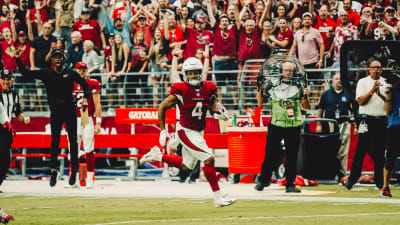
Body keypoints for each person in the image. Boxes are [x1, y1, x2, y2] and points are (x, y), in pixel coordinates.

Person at [140, 57, 235, 207]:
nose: (194, 76)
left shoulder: (209, 87)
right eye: (191, 73)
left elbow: (212, 105)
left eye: (197, 72)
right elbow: (162, 107)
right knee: (209, 159)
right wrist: (163, 131)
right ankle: (218, 197)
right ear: (185, 74)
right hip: (185, 131)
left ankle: (158, 156)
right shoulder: (181, 89)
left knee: (186, 167)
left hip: (198, 131)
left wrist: (219, 112)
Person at [15, 48, 90, 187]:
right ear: (52, 60)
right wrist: (18, 59)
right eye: (55, 57)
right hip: (55, 111)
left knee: (73, 141)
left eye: (60, 57)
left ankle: (74, 170)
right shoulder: (47, 73)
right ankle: (53, 171)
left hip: (70, 110)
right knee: (54, 141)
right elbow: (26, 73)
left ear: (63, 59)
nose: (57, 59)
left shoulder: (70, 73)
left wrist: (85, 99)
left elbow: (86, 86)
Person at [255, 61, 310, 193]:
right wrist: (260, 89)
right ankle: (263, 180)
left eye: (291, 71)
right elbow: (260, 102)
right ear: (282, 71)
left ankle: (290, 184)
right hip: (276, 123)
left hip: (293, 124)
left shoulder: (299, 85)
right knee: (270, 152)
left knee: (292, 155)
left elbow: (306, 106)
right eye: (286, 70)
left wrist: (306, 95)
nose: (289, 73)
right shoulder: (272, 84)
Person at [345, 60, 388, 190]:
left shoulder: (386, 82)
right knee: (360, 150)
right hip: (366, 119)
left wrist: (380, 94)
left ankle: (380, 182)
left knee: (380, 152)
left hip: (381, 119)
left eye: (378, 68)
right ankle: (352, 180)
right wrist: (371, 91)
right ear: (369, 69)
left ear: (381, 70)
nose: (376, 70)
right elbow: (360, 101)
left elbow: (389, 101)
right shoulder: (362, 82)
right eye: (373, 67)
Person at [316, 73, 356, 181]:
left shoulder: (348, 94)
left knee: (344, 150)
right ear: (332, 81)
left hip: (344, 123)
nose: (338, 80)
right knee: (332, 149)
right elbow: (320, 109)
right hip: (330, 124)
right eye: (336, 78)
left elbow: (353, 111)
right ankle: (331, 173)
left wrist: (355, 125)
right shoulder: (326, 94)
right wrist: (318, 124)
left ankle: (342, 174)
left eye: (340, 78)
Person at [73, 62, 102, 188]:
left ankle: (89, 178)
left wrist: (99, 122)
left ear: (87, 71)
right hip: (73, 119)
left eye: (84, 70)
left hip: (87, 118)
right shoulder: (69, 83)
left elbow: (97, 103)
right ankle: (73, 178)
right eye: (79, 70)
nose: (81, 72)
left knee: (89, 148)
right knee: (73, 149)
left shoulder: (92, 83)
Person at [381, 73, 400, 197]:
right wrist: (387, 95)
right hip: (394, 126)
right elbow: (388, 110)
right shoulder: (393, 91)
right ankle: (385, 187)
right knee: (391, 157)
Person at [0, 78, 16, 193]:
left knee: (5, 161)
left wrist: (6, 122)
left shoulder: (13, 96)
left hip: (4, 132)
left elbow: (1, 111)